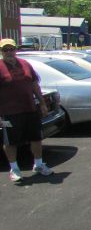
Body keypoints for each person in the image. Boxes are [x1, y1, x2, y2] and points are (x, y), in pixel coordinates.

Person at [0, 38, 53, 182]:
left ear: (15, 50)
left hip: (30, 108)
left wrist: (42, 103)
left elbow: (34, 84)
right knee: (11, 141)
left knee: (36, 138)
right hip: (9, 112)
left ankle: (39, 165)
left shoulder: (25, 64)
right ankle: (14, 169)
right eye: (5, 50)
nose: (9, 52)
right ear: (1, 52)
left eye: (11, 49)